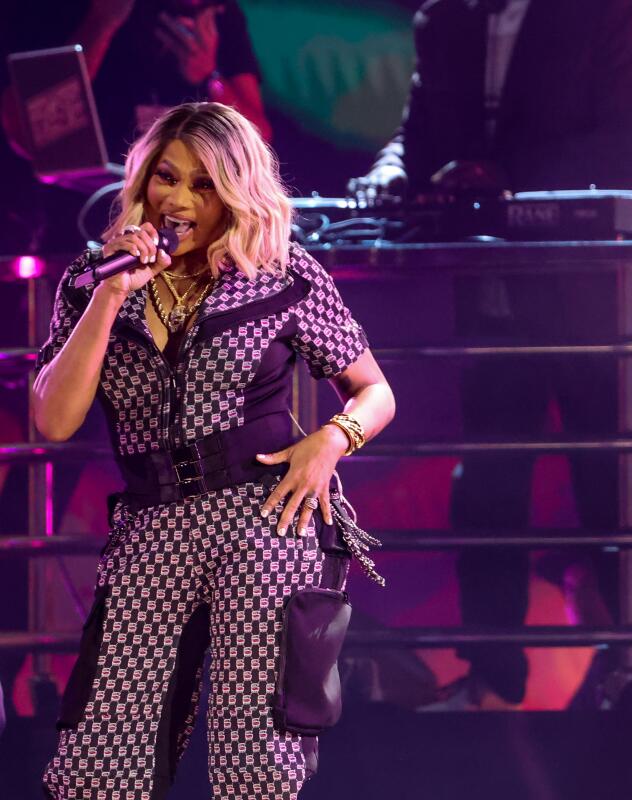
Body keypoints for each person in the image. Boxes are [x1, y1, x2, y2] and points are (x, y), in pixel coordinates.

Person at [34, 102, 394, 798]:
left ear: (235, 193)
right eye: (166, 176)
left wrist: (330, 440)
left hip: (265, 518)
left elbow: (375, 390)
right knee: (100, 767)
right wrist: (111, 297)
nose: (178, 199)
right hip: (152, 522)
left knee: (254, 766)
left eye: (203, 185)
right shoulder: (91, 280)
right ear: (141, 179)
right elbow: (53, 419)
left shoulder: (282, 273)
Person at [347, 0, 632, 709]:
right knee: (487, 493)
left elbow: (629, 139)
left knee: (614, 489)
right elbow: (416, 137)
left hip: (597, 299)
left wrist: (501, 177)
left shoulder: (607, 12)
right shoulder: (444, 20)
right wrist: (390, 173)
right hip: (497, 296)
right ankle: (492, 682)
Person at [2, 0, 271, 161]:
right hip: (84, 205)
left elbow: (258, 139)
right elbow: (28, 132)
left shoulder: (219, 15)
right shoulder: (65, 9)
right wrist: (101, 25)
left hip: (181, 203)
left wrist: (210, 78)